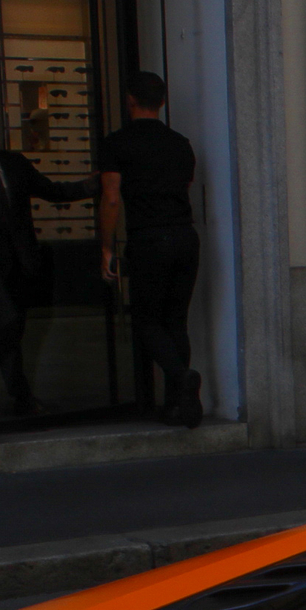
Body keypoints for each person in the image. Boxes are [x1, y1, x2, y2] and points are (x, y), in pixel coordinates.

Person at [98, 71, 203, 427]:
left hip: (148, 237)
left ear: (130, 100)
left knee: (145, 320)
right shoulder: (180, 143)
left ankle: (180, 377)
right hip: (185, 235)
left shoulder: (117, 144)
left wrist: (106, 246)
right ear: (162, 102)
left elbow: (111, 199)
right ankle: (180, 405)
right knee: (176, 322)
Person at [0, 102, 95, 416]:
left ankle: (19, 396)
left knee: (13, 329)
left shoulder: (13, 163)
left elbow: (50, 190)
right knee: (7, 329)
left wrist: (88, 187)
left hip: (20, 262)